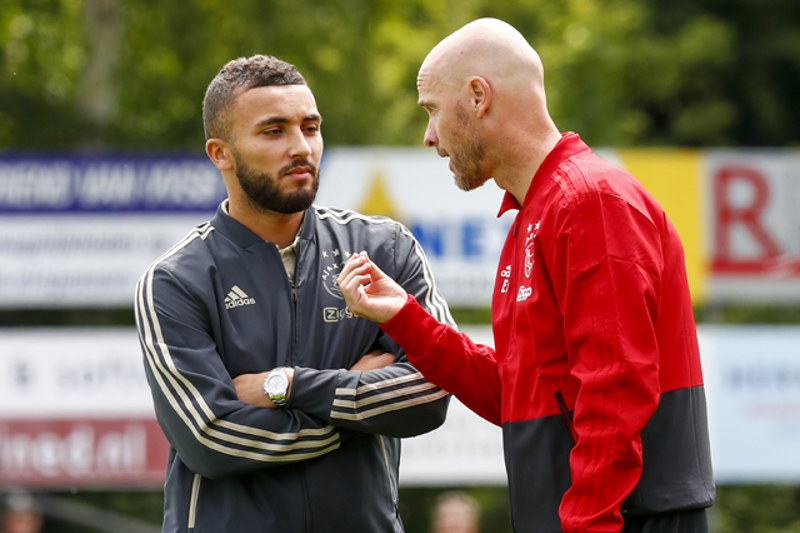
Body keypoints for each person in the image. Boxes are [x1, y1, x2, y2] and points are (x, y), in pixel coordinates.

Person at [338, 18, 715, 533]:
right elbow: (517, 396)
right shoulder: (535, 215)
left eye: (431, 110)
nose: (429, 136)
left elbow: (615, 390)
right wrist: (406, 317)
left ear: (478, 97)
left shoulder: (588, 202)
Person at [135, 54, 453, 533]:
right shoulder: (175, 280)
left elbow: (433, 387)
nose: (301, 147)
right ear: (220, 153)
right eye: (273, 131)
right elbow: (211, 438)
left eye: (311, 127)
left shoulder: (384, 249)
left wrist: (285, 386)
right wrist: (355, 404)